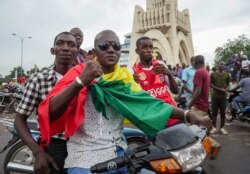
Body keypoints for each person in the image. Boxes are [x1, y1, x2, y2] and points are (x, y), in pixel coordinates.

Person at [38, 30, 211, 174]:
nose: (111, 49)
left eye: (116, 46)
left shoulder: (124, 78)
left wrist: (189, 115)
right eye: (104, 46)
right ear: (95, 51)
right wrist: (81, 81)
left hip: (120, 154)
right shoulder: (79, 72)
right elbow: (50, 111)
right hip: (85, 158)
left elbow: (148, 103)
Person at [14, 31, 78, 174]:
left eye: (71, 45)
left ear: (76, 51)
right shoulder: (38, 79)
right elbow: (19, 119)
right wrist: (38, 153)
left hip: (84, 144)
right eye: (60, 43)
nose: (66, 48)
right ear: (53, 50)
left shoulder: (85, 77)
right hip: (54, 144)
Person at [133, 36, 180, 126]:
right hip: (154, 121)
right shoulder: (133, 71)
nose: (149, 50)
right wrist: (134, 83)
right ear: (137, 51)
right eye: (144, 47)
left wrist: (169, 74)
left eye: (151, 47)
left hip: (173, 115)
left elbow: (176, 91)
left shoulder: (160, 65)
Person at [210, 62, 231, 134]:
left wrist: (226, 89)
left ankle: (222, 128)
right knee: (214, 113)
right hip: (215, 97)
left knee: (223, 113)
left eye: (224, 64)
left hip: (223, 97)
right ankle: (214, 127)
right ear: (218, 65)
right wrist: (219, 89)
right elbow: (210, 84)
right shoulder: (213, 74)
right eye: (221, 64)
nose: (223, 65)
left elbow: (229, 84)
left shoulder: (227, 75)